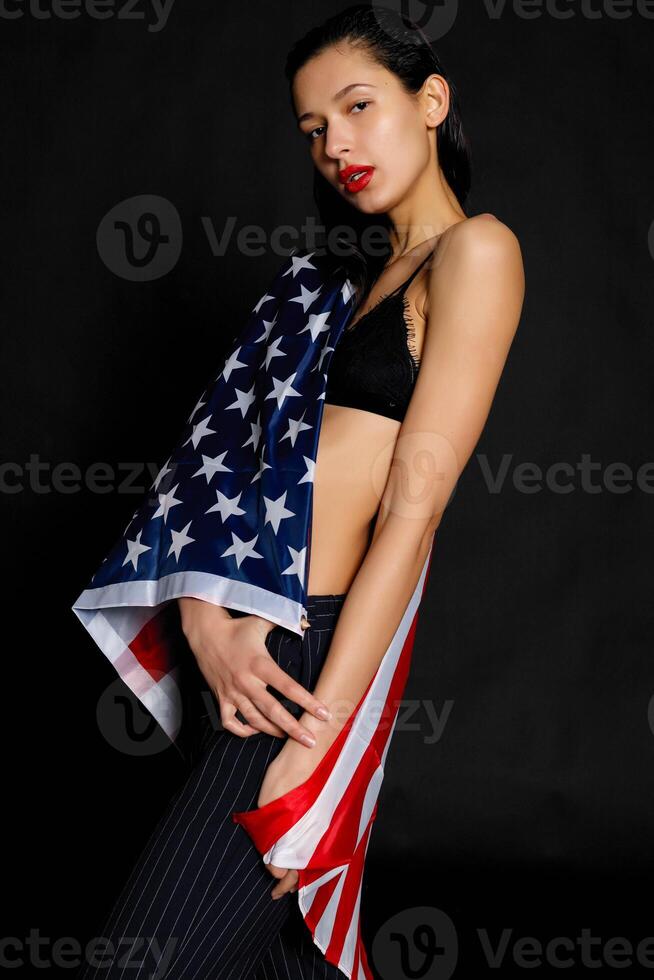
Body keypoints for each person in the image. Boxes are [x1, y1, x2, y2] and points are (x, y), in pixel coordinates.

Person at [77, 4, 525, 978]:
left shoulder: (475, 252)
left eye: (360, 106)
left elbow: (413, 513)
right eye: (315, 128)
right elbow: (211, 473)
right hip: (233, 654)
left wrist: (321, 739)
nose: (337, 144)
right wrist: (203, 616)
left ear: (431, 100)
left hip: (299, 668)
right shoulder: (322, 285)